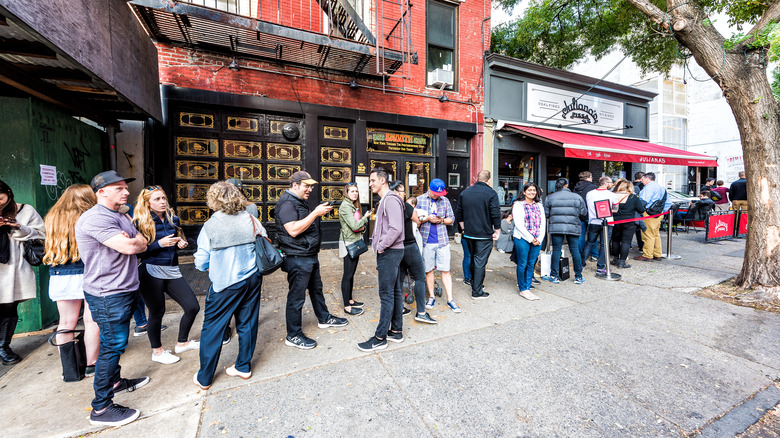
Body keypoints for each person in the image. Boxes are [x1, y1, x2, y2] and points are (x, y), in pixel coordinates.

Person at [75, 170, 149, 427]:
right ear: (101, 192)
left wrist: (137, 239)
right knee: (112, 345)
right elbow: (131, 246)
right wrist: (136, 240)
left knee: (116, 342)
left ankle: (115, 382)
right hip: (108, 293)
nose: (126, 191)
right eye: (118, 188)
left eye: (125, 187)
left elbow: (143, 241)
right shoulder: (95, 218)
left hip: (124, 288)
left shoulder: (119, 214)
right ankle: (101, 408)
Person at [193, 181, 266, 389]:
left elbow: (201, 261)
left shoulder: (210, 226)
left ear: (213, 200)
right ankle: (243, 367)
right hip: (252, 278)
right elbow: (264, 240)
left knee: (213, 329)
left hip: (225, 283)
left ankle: (205, 377)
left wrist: (208, 265)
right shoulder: (251, 219)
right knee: (248, 323)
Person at [276, 171, 348, 350]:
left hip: (308, 255)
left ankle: (324, 318)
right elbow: (293, 230)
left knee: (317, 290)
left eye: (311, 186)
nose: (310, 189)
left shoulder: (298, 202)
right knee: (296, 297)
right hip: (297, 257)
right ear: (295, 185)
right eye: (306, 186)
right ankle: (293, 335)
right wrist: (315, 213)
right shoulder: (287, 203)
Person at [133, 186, 200, 364]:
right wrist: (158, 244)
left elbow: (179, 237)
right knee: (157, 312)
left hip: (171, 269)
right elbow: (136, 253)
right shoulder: (140, 222)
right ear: (147, 203)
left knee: (192, 306)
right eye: (157, 199)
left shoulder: (173, 218)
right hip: (150, 270)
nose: (162, 202)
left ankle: (182, 343)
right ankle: (157, 352)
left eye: (163, 198)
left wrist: (181, 243)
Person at [42, 184, 99, 377]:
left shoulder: (52, 217)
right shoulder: (89, 216)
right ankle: (92, 364)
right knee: (92, 320)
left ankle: (70, 369)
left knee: (66, 322)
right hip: (86, 271)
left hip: (59, 273)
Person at [357, 171, 406, 352]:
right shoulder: (387, 199)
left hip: (390, 252)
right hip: (392, 251)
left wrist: (381, 246)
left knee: (386, 295)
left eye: (373, 180)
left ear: (382, 180)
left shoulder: (390, 199)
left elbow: (395, 228)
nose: (370, 184)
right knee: (394, 292)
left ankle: (380, 337)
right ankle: (396, 331)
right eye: (370, 181)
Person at [0, 180, 45, 366]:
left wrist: (18, 227)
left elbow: (41, 233)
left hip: (12, 270)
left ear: (9, 193)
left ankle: (3, 346)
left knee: (9, 307)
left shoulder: (25, 211)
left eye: (0, 198)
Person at [391, 180, 436, 324]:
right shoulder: (406, 206)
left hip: (395, 247)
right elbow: (417, 221)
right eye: (403, 190)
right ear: (397, 193)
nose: (405, 193)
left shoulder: (386, 206)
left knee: (399, 279)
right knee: (420, 277)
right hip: (409, 245)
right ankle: (421, 312)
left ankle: (399, 309)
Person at [455, 170, 501, 300]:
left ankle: (474, 283)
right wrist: (497, 230)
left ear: (476, 179)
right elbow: (495, 213)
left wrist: (463, 228)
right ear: (488, 180)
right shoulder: (491, 193)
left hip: (469, 234)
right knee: (480, 262)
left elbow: (459, 213)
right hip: (484, 234)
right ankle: (477, 291)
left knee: (473, 258)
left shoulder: (465, 193)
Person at [417, 179, 459, 313]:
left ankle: (450, 299)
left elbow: (451, 218)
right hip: (426, 240)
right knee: (429, 270)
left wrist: (441, 220)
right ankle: (431, 296)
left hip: (442, 240)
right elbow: (415, 220)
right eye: (435, 193)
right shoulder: (419, 200)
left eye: (439, 194)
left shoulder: (445, 201)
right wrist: (427, 219)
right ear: (429, 189)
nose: (437, 196)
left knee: (445, 270)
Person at [542, 178, 587, 284]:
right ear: (566, 185)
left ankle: (554, 276)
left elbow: (547, 214)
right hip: (573, 226)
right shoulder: (577, 197)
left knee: (556, 250)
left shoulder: (550, 197)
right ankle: (578, 276)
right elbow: (583, 213)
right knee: (575, 250)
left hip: (556, 227)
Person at [338, 182, 370, 316]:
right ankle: (347, 306)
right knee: (348, 274)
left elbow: (360, 227)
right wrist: (365, 218)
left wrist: (362, 224)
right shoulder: (345, 206)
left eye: (356, 191)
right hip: (349, 243)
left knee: (351, 274)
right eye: (352, 191)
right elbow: (354, 225)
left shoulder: (353, 205)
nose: (355, 193)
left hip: (355, 240)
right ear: (346, 193)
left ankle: (350, 300)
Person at [512, 182, 545, 300]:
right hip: (522, 239)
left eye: (534, 190)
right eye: (529, 190)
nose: (532, 192)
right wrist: (531, 239)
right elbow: (519, 225)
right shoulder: (518, 205)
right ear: (524, 192)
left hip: (537, 239)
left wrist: (539, 238)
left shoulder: (539, 205)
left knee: (532, 263)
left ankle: (527, 287)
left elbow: (543, 224)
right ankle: (523, 289)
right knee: (522, 263)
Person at [582, 177, 618, 274]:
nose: (612, 184)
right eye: (611, 183)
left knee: (589, 242)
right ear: (606, 184)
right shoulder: (612, 195)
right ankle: (600, 266)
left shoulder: (590, 193)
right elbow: (616, 209)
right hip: (608, 222)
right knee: (604, 244)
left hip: (593, 221)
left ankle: (581, 264)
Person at [635, 172, 672, 262]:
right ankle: (657, 254)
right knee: (655, 234)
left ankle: (648, 255)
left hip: (648, 214)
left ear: (647, 179)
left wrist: (639, 210)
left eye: (642, 179)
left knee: (647, 234)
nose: (641, 181)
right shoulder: (661, 188)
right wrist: (662, 212)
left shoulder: (648, 188)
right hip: (659, 214)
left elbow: (643, 202)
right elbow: (668, 202)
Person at [610, 179, 645, 269]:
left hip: (614, 221)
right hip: (629, 222)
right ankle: (622, 262)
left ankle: (615, 259)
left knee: (615, 240)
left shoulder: (612, 195)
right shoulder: (633, 197)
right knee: (626, 242)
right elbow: (641, 209)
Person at [574, 171, 599, 262]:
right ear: (588, 177)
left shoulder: (576, 187)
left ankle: (581, 253)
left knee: (580, 235)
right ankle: (594, 254)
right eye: (591, 177)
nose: (592, 179)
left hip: (579, 214)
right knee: (593, 236)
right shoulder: (593, 187)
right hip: (591, 215)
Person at [632, 172, 646, 253]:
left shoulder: (631, 184)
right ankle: (641, 246)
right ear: (642, 178)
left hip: (631, 212)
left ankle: (629, 246)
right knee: (640, 230)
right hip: (639, 211)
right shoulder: (642, 186)